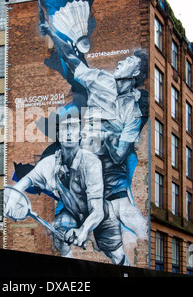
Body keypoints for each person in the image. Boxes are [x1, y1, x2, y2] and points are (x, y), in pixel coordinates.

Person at [39, 20, 148, 241]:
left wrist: (106, 134)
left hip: (108, 167)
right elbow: (71, 57)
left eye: (128, 61)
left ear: (135, 71)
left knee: (127, 213)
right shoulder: (100, 79)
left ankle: (145, 241)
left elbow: (119, 155)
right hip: (81, 161)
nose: (120, 61)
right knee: (65, 220)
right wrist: (51, 31)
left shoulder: (133, 113)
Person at [4, 106, 129, 265]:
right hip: (72, 212)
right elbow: (24, 182)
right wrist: (12, 200)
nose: (69, 132)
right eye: (64, 128)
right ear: (58, 135)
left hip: (101, 214)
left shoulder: (91, 163)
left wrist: (83, 231)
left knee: (117, 256)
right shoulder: (50, 163)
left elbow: (97, 210)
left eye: (74, 128)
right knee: (58, 230)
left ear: (80, 135)